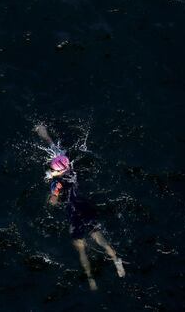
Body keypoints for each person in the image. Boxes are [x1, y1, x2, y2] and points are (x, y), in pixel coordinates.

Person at [34, 124, 126, 291]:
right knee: (100, 239)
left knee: (81, 248)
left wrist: (51, 196)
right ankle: (116, 260)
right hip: (85, 207)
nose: (51, 169)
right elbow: (51, 144)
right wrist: (44, 133)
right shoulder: (68, 166)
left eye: (52, 169)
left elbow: (53, 202)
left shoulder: (57, 183)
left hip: (74, 214)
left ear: (57, 171)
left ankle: (91, 279)